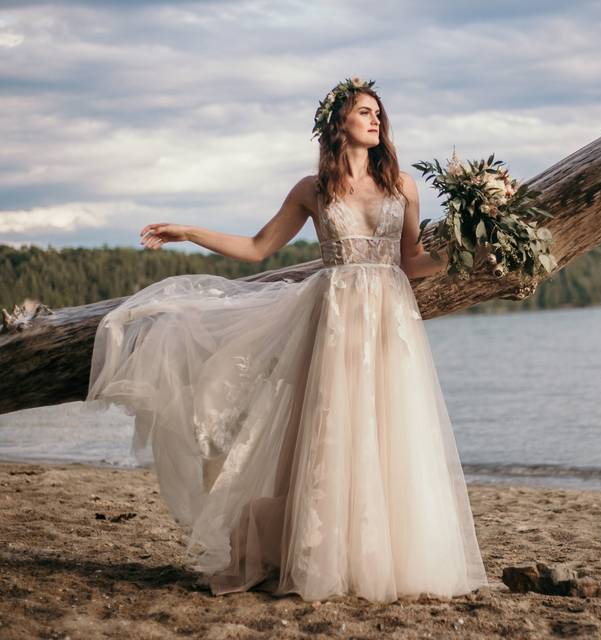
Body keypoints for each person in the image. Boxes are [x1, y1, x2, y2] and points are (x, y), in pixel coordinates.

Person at [85, 76, 489, 603]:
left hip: (391, 316)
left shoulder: (403, 185)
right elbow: (257, 247)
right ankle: (326, 555)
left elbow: (411, 262)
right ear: (336, 122)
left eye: (378, 113)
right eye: (364, 111)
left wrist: (471, 250)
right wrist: (190, 231)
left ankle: (384, 558)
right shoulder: (312, 190)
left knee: (392, 431)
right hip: (337, 317)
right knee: (335, 431)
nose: (375, 120)